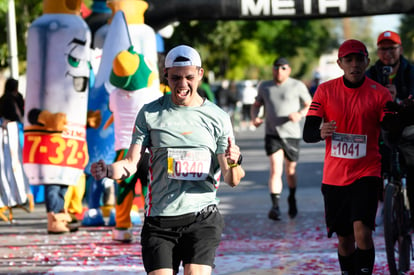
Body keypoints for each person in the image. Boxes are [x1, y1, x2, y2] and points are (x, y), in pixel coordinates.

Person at [91, 45, 245, 274]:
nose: (182, 84)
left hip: (202, 218)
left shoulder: (218, 118)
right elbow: (131, 164)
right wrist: (108, 171)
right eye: (176, 78)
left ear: (200, 74)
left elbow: (232, 179)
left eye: (189, 77)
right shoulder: (150, 113)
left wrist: (234, 162)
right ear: (166, 76)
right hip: (160, 221)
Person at [303, 39, 393, 274]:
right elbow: (308, 133)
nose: (355, 65)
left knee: (362, 231)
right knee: (345, 240)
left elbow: (391, 127)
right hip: (335, 177)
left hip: (367, 172)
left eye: (359, 59)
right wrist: (320, 132)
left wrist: (396, 110)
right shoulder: (325, 90)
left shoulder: (380, 94)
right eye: (349, 60)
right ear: (340, 63)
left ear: (367, 62)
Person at [250, 57, 311, 220]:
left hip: (291, 134)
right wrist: (255, 118)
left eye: (283, 68)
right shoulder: (265, 86)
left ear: (289, 70)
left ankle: (292, 197)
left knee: (290, 171)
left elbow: (309, 104)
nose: (279, 71)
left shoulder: (297, 85)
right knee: (275, 169)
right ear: (272, 69)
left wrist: (299, 114)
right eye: (276, 68)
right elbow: (256, 106)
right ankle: (275, 206)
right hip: (272, 133)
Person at [366, 30, 414, 225]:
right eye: (383, 49)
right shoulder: (370, 74)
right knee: (371, 168)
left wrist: (399, 100)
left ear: (400, 49)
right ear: (378, 52)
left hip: (407, 130)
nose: (388, 53)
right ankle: (383, 202)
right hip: (380, 131)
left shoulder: (411, 72)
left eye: (392, 48)